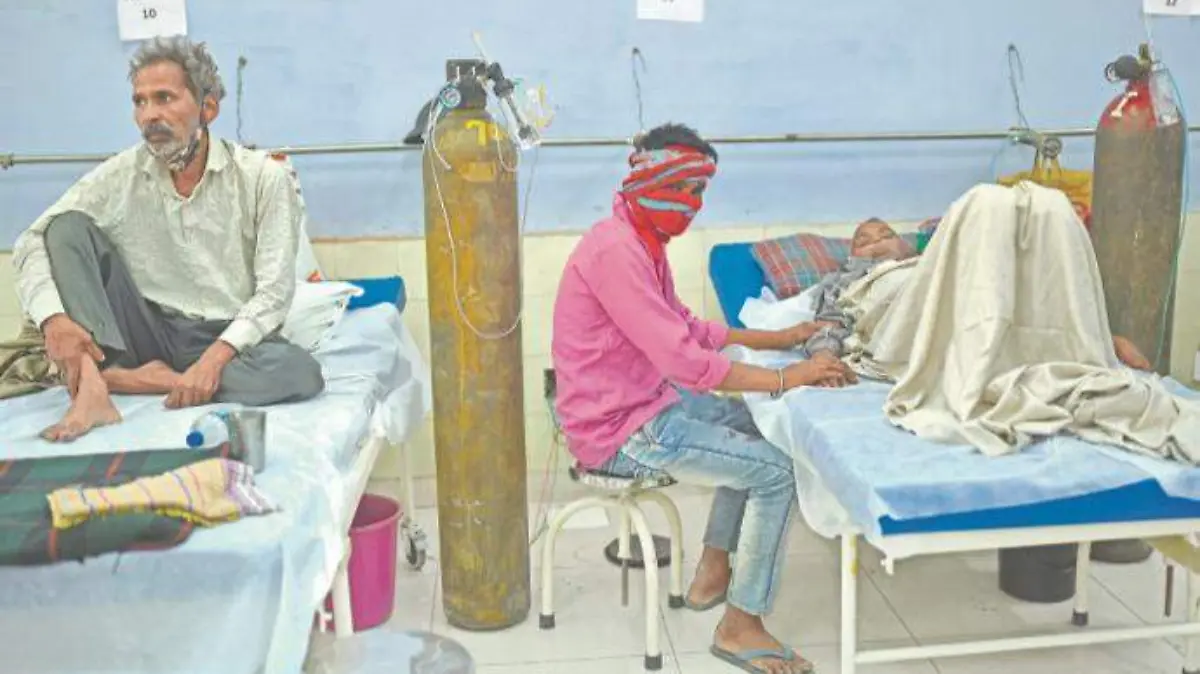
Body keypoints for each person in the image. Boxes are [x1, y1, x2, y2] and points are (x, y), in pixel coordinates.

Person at [552, 123, 852, 674]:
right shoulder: (617, 251)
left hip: (644, 402)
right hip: (622, 431)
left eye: (701, 193)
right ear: (653, 183)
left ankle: (713, 570)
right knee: (778, 471)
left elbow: (686, 326)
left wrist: (779, 338)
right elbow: (686, 362)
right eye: (686, 190)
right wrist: (790, 377)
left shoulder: (641, 241)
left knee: (755, 424)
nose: (694, 205)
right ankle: (741, 625)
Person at [11, 37, 324, 443]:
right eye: (140, 102)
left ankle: (129, 380)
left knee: (300, 373)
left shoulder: (263, 178)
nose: (149, 115)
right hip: (143, 329)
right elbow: (31, 240)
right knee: (65, 228)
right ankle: (93, 384)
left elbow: (274, 294)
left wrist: (211, 363)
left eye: (164, 98)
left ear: (207, 108)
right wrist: (53, 321)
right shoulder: (121, 174)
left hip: (220, 336)